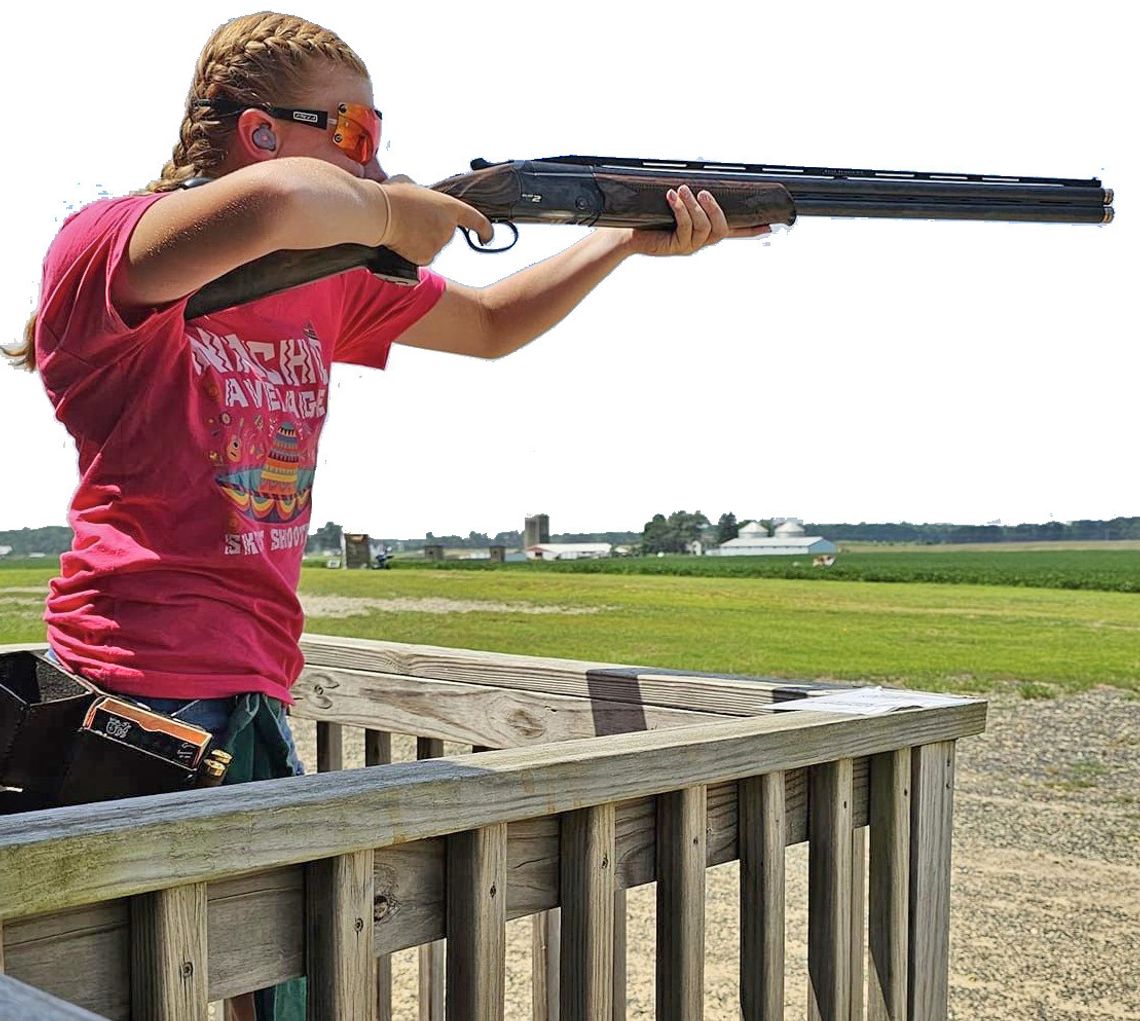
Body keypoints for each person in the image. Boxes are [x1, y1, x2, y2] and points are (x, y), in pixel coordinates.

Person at [4, 11, 768, 1019]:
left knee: (283, 987)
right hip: (131, 700)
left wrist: (621, 242)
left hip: (249, 695)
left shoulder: (327, 279)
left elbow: (492, 324)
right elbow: (284, 200)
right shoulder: (107, 246)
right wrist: (393, 210)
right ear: (261, 131)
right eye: (355, 132)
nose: (378, 156)